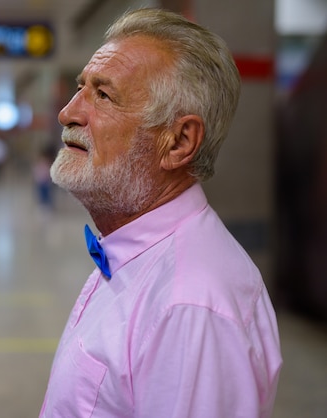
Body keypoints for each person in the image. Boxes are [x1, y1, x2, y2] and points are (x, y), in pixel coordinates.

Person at [39, 8, 282, 418]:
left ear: (178, 142)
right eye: (81, 88)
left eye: (103, 95)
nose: (68, 113)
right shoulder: (133, 253)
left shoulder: (189, 307)